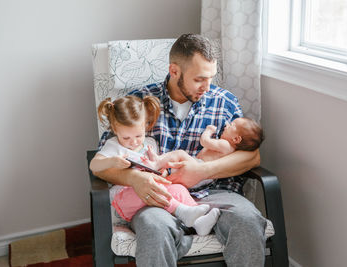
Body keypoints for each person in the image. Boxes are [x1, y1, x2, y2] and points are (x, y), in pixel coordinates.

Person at [94, 33, 267, 267]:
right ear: (174, 71)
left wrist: (202, 171)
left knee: (248, 220)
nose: (207, 87)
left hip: (215, 192)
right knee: (155, 228)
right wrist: (134, 178)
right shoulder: (139, 102)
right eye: (199, 79)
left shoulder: (225, 102)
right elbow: (103, 162)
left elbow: (252, 156)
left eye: (211, 78)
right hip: (158, 198)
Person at [89, 95, 220, 236]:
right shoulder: (113, 145)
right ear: (115, 130)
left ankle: (198, 222)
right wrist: (111, 161)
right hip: (125, 197)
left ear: (146, 125)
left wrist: (161, 172)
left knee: (178, 188)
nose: (133, 142)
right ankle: (184, 212)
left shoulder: (150, 144)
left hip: (151, 191)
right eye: (126, 138)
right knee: (156, 189)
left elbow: (157, 168)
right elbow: (94, 165)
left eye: (139, 136)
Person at [143, 117, 264, 188]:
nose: (226, 124)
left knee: (179, 154)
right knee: (169, 175)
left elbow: (204, 141)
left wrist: (208, 130)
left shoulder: (225, 145)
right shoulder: (230, 148)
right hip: (201, 178)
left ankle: (157, 162)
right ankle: (158, 167)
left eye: (231, 125)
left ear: (236, 139)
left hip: (198, 166)